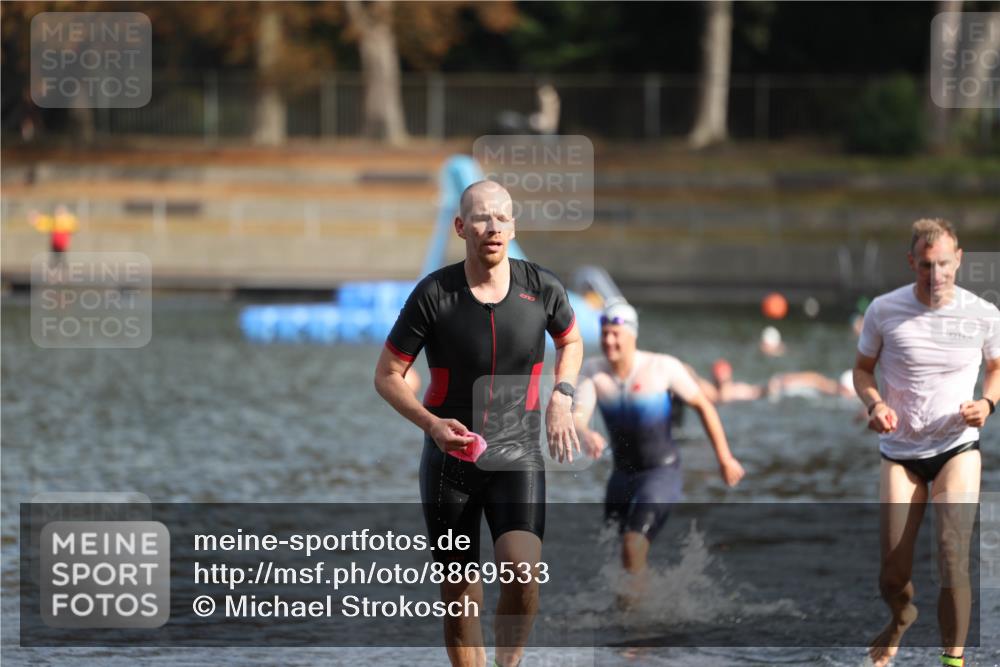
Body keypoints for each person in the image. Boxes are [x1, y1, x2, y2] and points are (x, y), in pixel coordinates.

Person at [373, 180, 583, 667]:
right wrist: (430, 425)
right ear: (461, 226)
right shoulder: (433, 295)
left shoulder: (542, 288)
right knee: (461, 597)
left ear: (513, 226)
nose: (493, 227)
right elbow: (387, 376)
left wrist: (562, 395)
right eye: (482, 218)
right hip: (450, 461)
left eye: (502, 218)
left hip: (517, 455)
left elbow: (570, 342)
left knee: (522, 575)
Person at [853, 219, 999, 667]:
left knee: (953, 556)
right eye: (926, 266)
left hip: (958, 447)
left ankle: (951, 662)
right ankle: (901, 619)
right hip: (901, 455)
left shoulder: (984, 313)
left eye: (944, 265)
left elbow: (997, 368)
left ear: (959, 261)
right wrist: (875, 404)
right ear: (912, 262)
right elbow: (862, 370)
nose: (935, 276)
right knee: (892, 578)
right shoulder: (883, 309)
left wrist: (988, 403)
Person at [572, 302, 745, 600]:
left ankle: (636, 633)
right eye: (604, 334)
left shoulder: (661, 367)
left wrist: (725, 458)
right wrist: (585, 433)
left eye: (616, 334)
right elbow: (576, 417)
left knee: (632, 545)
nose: (609, 341)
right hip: (621, 477)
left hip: (661, 473)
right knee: (622, 558)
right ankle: (640, 611)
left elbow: (703, 405)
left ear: (632, 335)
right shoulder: (593, 372)